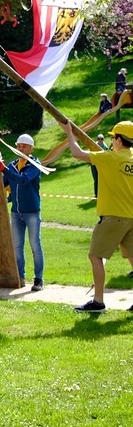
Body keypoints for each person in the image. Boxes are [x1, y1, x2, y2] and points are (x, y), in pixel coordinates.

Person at [62, 120, 133, 312]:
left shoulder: (110, 157)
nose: (112, 141)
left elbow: (77, 153)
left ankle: (98, 302)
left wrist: (69, 133)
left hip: (113, 216)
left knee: (95, 256)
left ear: (119, 139)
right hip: (131, 216)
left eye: (113, 137)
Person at [0, 133, 44, 291]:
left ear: (31, 148)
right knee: (17, 247)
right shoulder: (12, 165)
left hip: (32, 212)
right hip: (16, 212)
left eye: (24, 146)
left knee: (35, 246)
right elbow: (2, 182)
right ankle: (20, 277)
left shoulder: (35, 165)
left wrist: (4, 169)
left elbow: (22, 180)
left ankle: (38, 279)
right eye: (18, 146)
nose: (20, 148)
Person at [91, 133, 109, 198]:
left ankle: (103, 193)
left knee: (102, 179)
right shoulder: (93, 145)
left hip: (102, 164)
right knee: (96, 179)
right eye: (99, 139)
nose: (100, 140)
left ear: (103, 139)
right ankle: (96, 194)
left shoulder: (105, 147)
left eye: (101, 139)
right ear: (97, 139)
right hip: (94, 164)